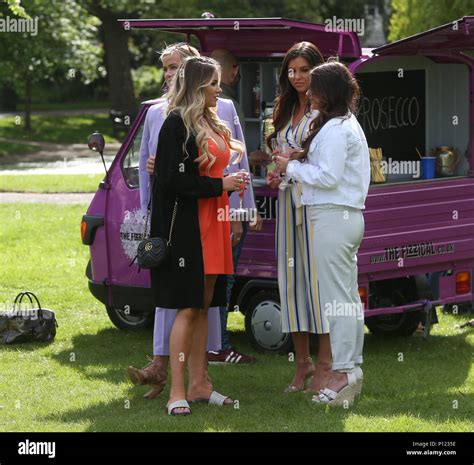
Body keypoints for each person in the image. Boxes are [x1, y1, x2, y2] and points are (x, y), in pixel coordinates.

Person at [128, 43, 247, 398]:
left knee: (204, 309)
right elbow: (171, 180)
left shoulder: (212, 118)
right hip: (188, 228)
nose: (218, 89)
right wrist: (220, 184)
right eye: (212, 83)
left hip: (215, 221)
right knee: (188, 307)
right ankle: (176, 392)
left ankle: (199, 385)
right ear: (197, 86)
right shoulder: (175, 123)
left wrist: (231, 188)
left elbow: (211, 168)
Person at [275, 60, 370, 406]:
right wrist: (299, 165)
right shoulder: (342, 124)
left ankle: (343, 372)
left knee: (339, 299)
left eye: (314, 86)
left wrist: (292, 166)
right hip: (342, 217)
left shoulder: (335, 129)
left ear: (327, 91)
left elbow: (328, 177)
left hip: (333, 218)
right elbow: (331, 172)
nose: (309, 92)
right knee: (345, 297)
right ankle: (350, 369)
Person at [267, 42, 332, 394]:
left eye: (304, 70)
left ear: (317, 71)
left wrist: (297, 163)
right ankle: (302, 362)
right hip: (287, 204)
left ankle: (325, 364)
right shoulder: (284, 107)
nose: (297, 77)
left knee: (318, 284)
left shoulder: (326, 112)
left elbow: (327, 164)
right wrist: (276, 172)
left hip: (315, 207)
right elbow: (277, 156)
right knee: (291, 284)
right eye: (291, 71)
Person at [210, 48, 262, 364]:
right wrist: (239, 214)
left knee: (217, 279)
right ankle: (219, 343)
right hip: (222, 209)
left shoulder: (220, 105)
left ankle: (215, 344)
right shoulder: (227, 105)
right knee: (222, 278)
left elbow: (234, 161)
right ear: (236, 70)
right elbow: (235, 162)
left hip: (221, 207)